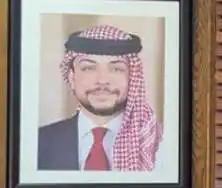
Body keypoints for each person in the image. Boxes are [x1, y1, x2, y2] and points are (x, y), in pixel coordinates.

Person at [37, 24, 162, 172]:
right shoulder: (37, 143)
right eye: (89, 68)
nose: (102, 80)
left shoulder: (159, 145)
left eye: (116, 69)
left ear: (132, 78)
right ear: (72, 78)